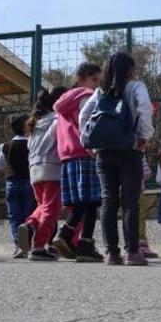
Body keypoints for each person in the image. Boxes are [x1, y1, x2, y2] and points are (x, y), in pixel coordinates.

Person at [80, 52, 155, 266]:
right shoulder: (136, 86)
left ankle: (111, 253)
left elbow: (83, 115)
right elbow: (144, 109)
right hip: (129, 149)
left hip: (103, 151)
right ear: (130, 69)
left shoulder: (99, 91)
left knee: (108, 200)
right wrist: (144, 136)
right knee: (130, 201)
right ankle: (132, 252)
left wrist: (87, 140)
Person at [51, 62, 104, 263]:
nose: (96, 85)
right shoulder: (85, 96)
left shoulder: (64, 100)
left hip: (67, 156)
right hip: (85, 151)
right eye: (94, 80)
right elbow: (88, 122)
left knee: (82, 202)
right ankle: (83, 244)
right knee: (92, 202)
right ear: (82, 78)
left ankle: (69, 236)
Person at [18, 87, 67, 261]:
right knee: (52, 209)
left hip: (35, 170)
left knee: (43, 205)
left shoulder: (35, 123)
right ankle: (38, 246)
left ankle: (30, 224)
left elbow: (31, 146)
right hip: (52, 167)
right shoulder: (58, 119)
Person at [0, 115, 36, 258]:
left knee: (14, 216)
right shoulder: (32, 143)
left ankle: (19, 245)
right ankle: (29, 242)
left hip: (12, 182)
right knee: (30, 214)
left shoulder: (5, 145)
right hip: (30, 181)